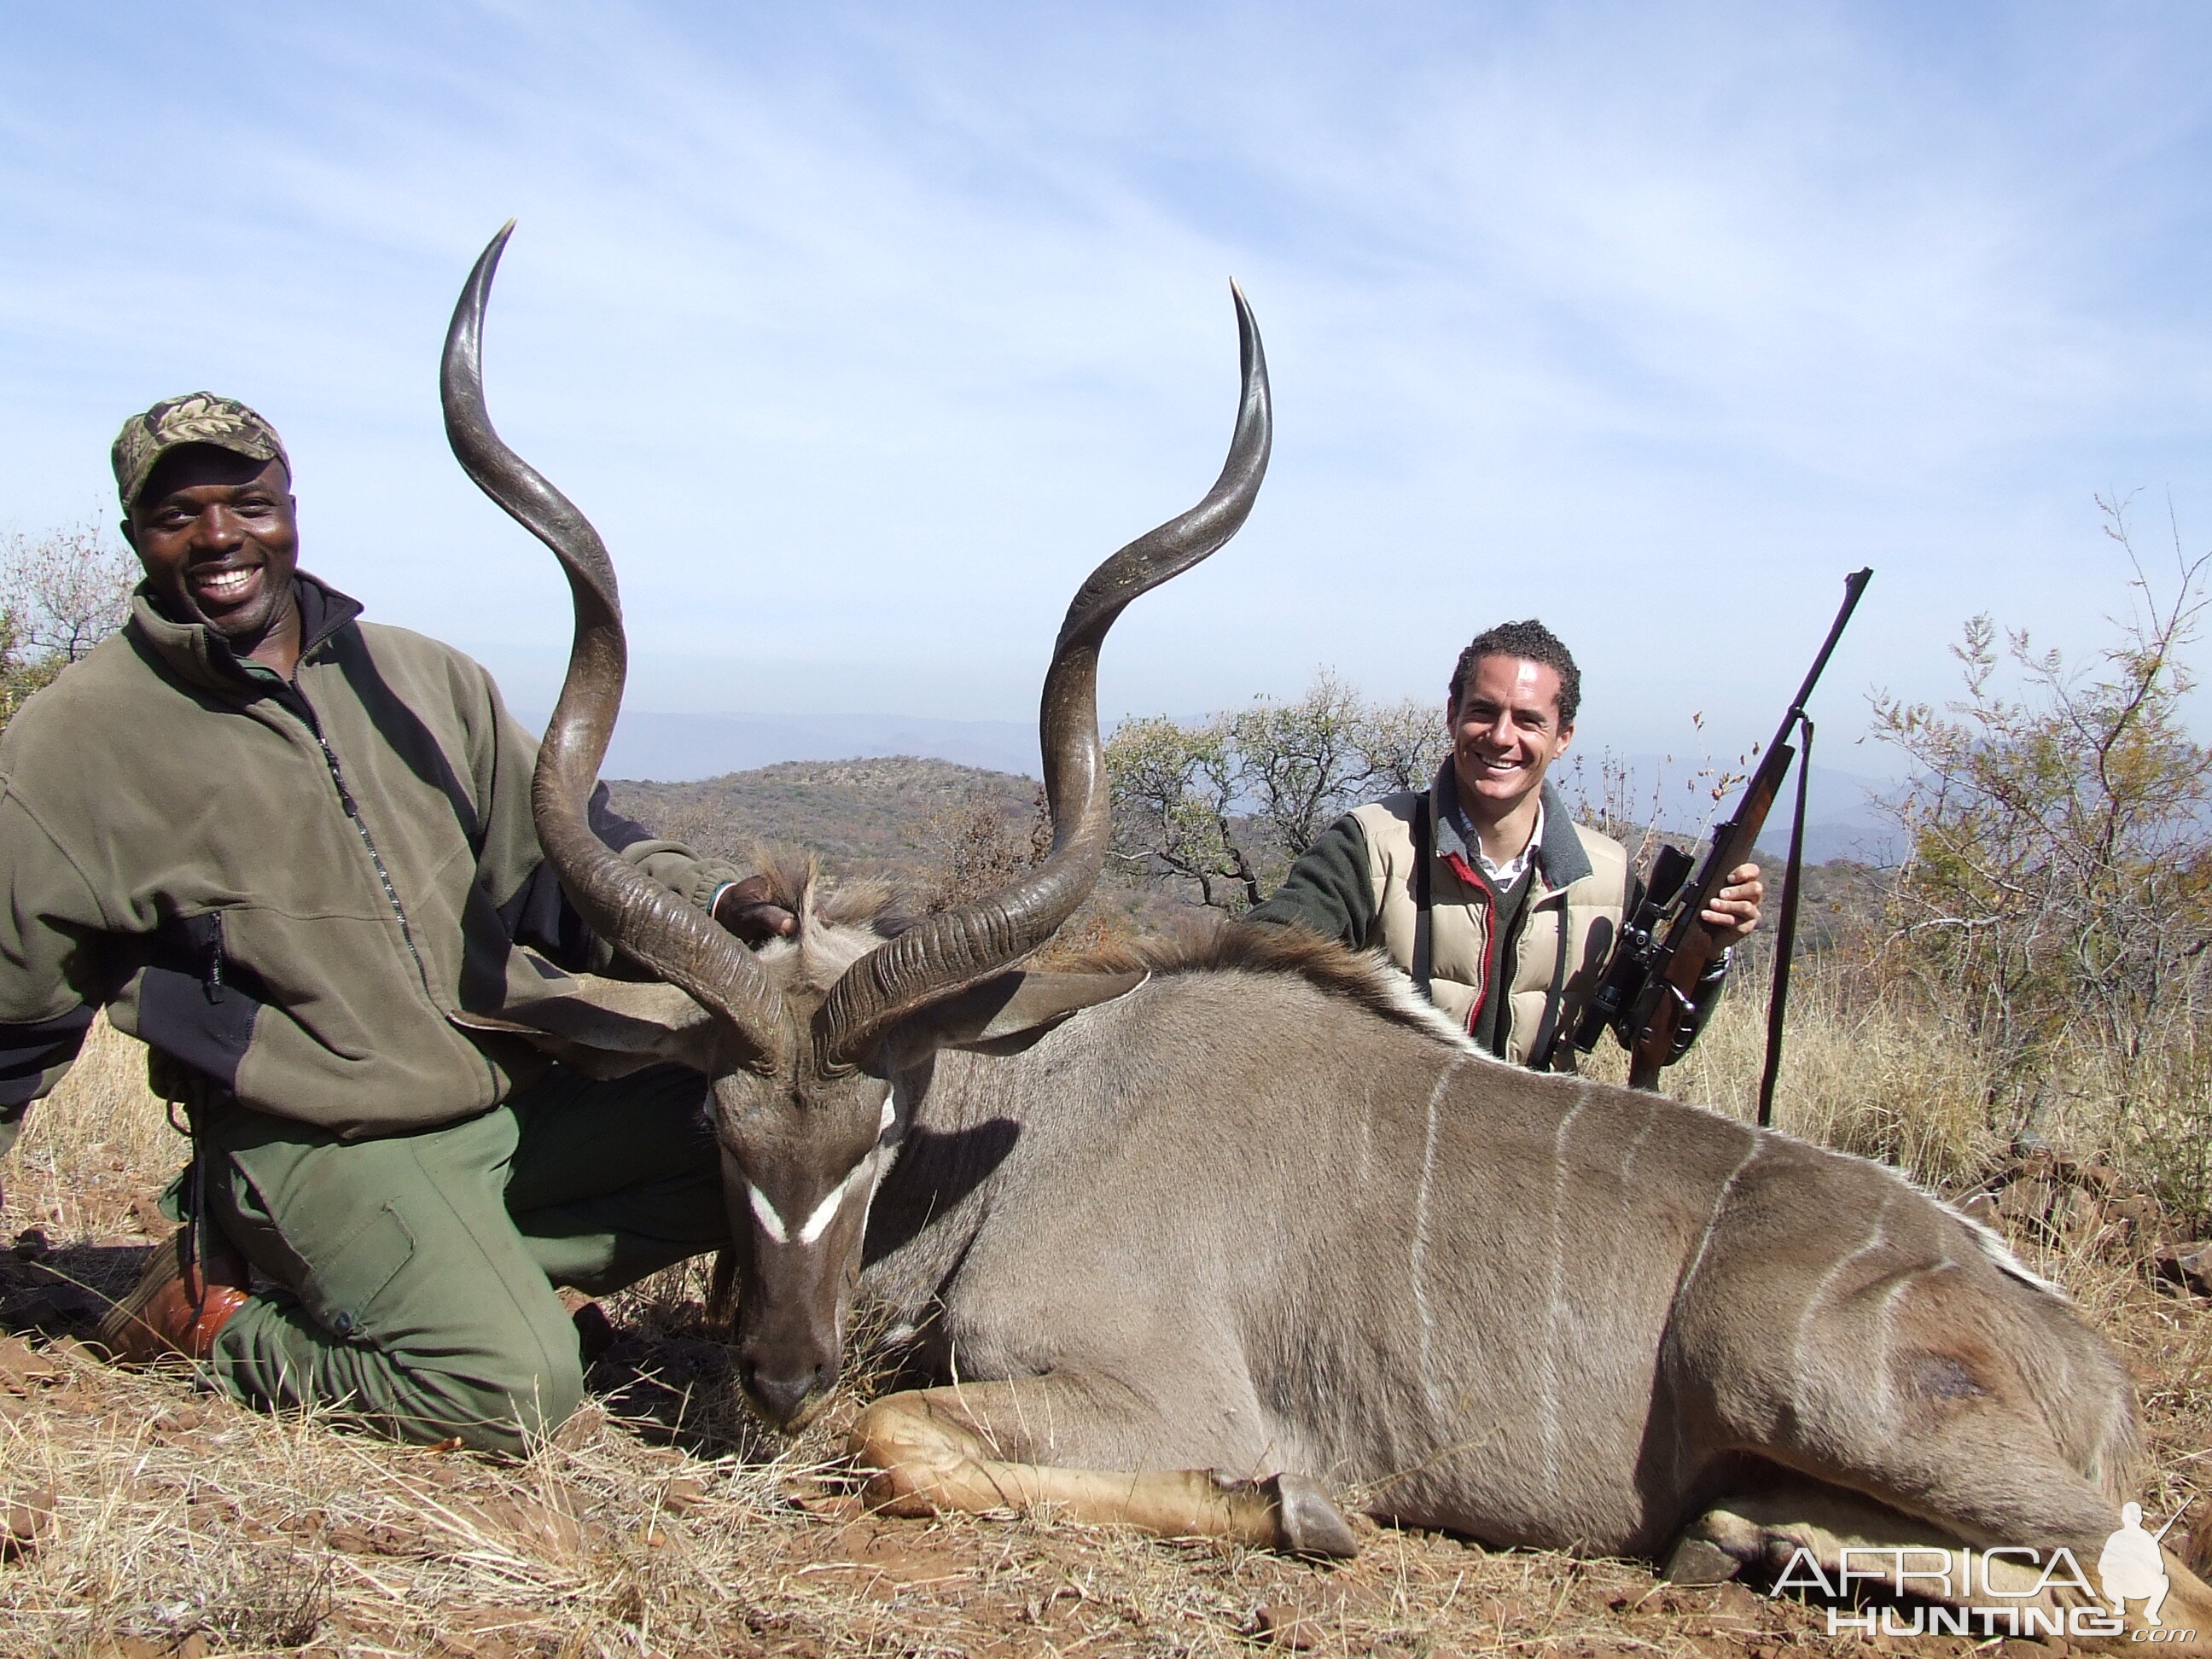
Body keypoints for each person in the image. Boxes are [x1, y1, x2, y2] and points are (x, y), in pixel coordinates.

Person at [0, 393, 794, 1452]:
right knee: (511, 1388)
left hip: (513, 1099)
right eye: (177, 514)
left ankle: (457, 1275)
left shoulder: (421, 678)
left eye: (247, 503)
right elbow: (16, 1010)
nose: (219, 537)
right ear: (135, 535)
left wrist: (712, 899)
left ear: (290, 508)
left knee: (762, 1137)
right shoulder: (78, 740)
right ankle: (212, 1321)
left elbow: (573, 862)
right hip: (320, 1141)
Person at [1247, 619, 1763, 1069]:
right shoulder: (1369, 845)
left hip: (1534, 1149)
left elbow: (1650, 1037)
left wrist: (1708, 952)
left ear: (1563, 736)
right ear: (1452, 716)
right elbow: (1259, 964)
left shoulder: (1606, 876)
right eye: (1484, 711)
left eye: (1529, 720)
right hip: (1391, 1144)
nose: (1500, 736)